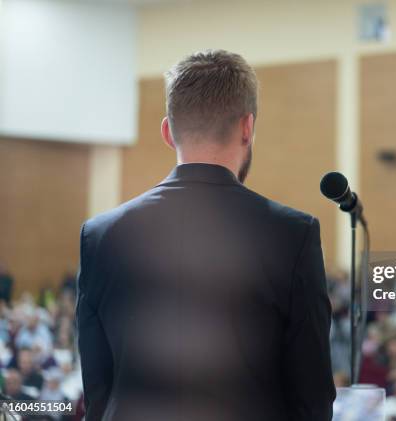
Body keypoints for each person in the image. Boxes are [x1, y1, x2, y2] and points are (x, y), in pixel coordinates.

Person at [76, 49, 335, 421]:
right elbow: (312, 398)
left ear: (168, 131)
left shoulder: (100, 234)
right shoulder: (294, 233)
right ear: (247, 127)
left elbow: (98, 389)